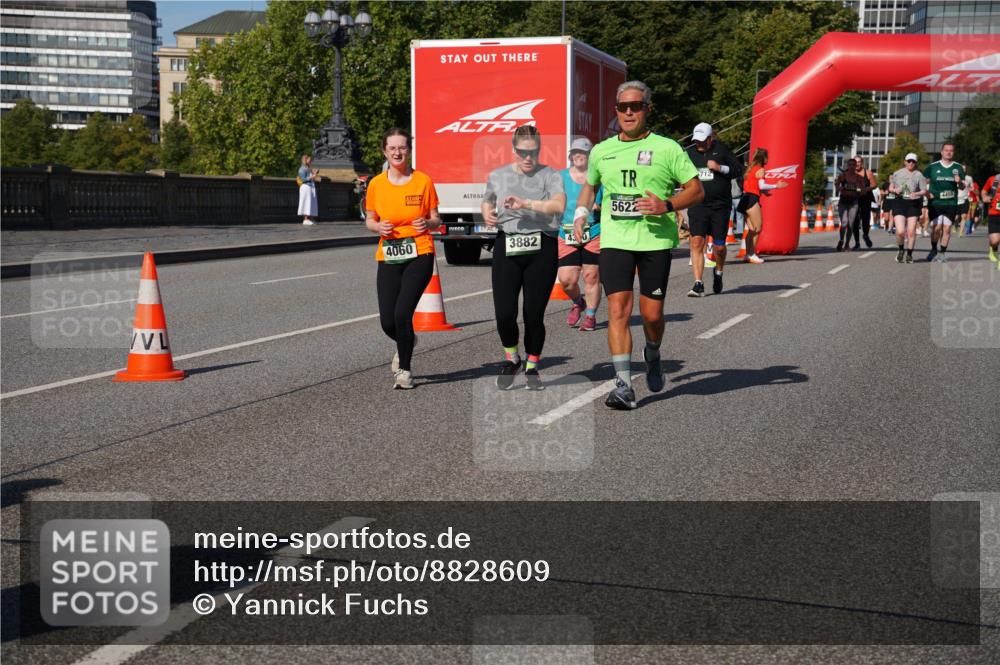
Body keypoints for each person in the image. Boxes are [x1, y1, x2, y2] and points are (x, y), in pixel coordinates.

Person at [573, 80, 703, 410]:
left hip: (655, 241)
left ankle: (653, 352)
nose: (628, 112)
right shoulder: (602, 151)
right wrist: (580, 213)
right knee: (617, 309)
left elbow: (696, 190)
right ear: (616, 111)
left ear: (647, 109)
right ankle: (623, 385)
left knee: (652, 314)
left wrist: (668, 205)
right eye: (622, 107)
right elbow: (590, 188)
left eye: (635, 106)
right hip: (615, 240)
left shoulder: (668, 148)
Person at [482, 124, 566, 390]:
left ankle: (532, 365)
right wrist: (487, 213)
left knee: (533, 314)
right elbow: (487, 200)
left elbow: (558, 206)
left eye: (533, 152)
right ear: (513, 149)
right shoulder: (498, 175)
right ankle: (512, 357)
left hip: (541, 248)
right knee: (504, 313)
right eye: (522, 152)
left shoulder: (550, 175)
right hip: (508, 245)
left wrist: (525, 204)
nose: (528, 158)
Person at [365, 128, 442, 389]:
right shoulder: (376, 183)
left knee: (401, 314)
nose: (397, 152)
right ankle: (406, 340)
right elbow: (369, 220)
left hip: (419, 252)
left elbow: (436, 218)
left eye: (402, 147)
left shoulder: (423, 181)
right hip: (388, 254)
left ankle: (405, 371)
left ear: (409, 150)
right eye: (392, 148)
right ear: (384, 151)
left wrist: (427, 223)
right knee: (388, 321)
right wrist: (378, 228)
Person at [685, 123, 742, 296]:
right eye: (697, 141)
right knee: (696, 242)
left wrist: (720, 168)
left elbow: (738, 170)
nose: (699, 144)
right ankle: (698, 283)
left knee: (719, 247)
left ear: (711, 138)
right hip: (698, 205)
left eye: (703, 141)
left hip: (720, 206)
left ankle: (718, 272)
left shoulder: (722, 150)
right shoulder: (689, 154)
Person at [558, 138, 603, 332]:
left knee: (591, 275)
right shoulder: (560, 177)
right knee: (567, 280)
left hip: (592, 231)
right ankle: (578, 301)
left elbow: (609, 199)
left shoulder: (598, 178)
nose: (578, 155)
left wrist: (598, 206)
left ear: (589, 156)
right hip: (566, 232)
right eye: (575, 152)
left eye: (582, 152)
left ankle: (591, 316)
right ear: (570, 155)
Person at [737, 147, 786, 263]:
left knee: (752, 229)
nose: (768, 160)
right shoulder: (761, 169)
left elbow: (754, 185)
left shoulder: (750, 168)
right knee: (758, 228)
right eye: (767, 157)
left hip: (744, 199)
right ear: (763, 158)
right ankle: (752, 254)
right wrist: (776, 186)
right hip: (752, 200)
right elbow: (761, 185)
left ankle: (748, 255)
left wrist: (764, 193)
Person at [923, 143, 966, 262]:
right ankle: (933, 249)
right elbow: (922, 181)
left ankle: (942, 252)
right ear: (941, 152)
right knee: (936, 228)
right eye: (946, 150)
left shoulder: (957, 168)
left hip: (950, 203)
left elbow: (962, 187)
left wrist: (959, 183)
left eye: (951, 151)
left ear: (953, 153)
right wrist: (926, 193)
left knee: (946, 229)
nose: (949, 152)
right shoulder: (933, 166)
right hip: (935, 202)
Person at [888, 153, 928, 264]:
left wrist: (916, 193)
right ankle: (901, 250)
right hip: (899, 202)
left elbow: (924, 190)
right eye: (909, 161)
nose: (911, 163)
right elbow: (890, 187)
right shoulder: (897, 173)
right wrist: (894, 190)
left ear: (916, 163)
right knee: (900, 231)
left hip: (913, 204)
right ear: (905, 161)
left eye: (913, 161)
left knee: (911, 231)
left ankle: (909, 254)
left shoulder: (919, 175)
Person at [834, 158, 869, 251]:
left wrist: (858, 190)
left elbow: (864, 191)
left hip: (854, 202)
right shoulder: (842, 176)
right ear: (847, 166)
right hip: (843, 202)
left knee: (851, 224)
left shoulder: (859, 178)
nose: (852, 166)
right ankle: (841, 240)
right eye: (850, 165)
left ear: (855, 166)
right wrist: (840, 188)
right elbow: (837, 185)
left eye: (853, 165)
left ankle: (847, 244)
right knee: (844, 223)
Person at [852, 157, 878, 247]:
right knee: (855, 221)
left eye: (859, 162)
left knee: (865, 220)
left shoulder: (868, 172)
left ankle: (866, 235)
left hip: (865, 198)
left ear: (862, 163)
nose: (857, 164)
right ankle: (857, 242)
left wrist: (867, 189)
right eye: (855, 162)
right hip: (854, 199)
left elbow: (874, 185)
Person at [981, 172, 1000, 267]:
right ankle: (993, 249)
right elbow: (984, 191)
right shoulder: (994, 179)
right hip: (994, 213)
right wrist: (985, 197)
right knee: (995, 241)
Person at [297, 154, 319, 225]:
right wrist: (312, 177)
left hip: (311, 187)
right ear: (305, 160)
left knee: (311, 202)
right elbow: (303, 179)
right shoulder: (302, 169)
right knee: (306, 202)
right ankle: (305, 219)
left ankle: (311, 218)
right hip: (305, 187)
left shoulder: (308, 168)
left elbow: (310, 176)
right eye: (309, 160)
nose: (310, 161)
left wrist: (314, 174)